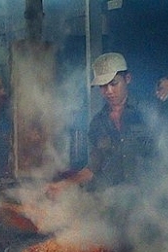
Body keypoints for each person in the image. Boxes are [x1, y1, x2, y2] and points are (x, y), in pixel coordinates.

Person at [52, 52, 156, 193]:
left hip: (149, 199)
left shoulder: (148, 111)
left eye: (114, 84)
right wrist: (63, 185)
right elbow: (92, 168)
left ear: (128, 79)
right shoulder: (98, 123)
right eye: (103, 86)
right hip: (112, 201)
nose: (109, 91)